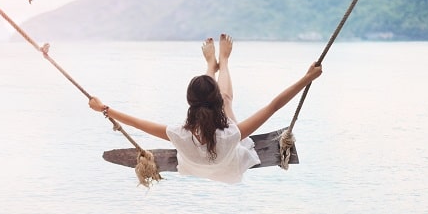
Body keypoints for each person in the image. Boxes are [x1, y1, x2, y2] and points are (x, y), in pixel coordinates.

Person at [89, 34, 322, 183]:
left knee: (220, 100)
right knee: (228, 100)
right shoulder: (232, 134)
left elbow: (137, 122)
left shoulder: (178, 134)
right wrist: (307, 78)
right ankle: (223, 62)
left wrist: (104, 109)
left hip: (193, 168)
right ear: (216, 101)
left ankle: (211, 65)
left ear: (190, 102)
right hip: (230, 170)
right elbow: (273, 106)